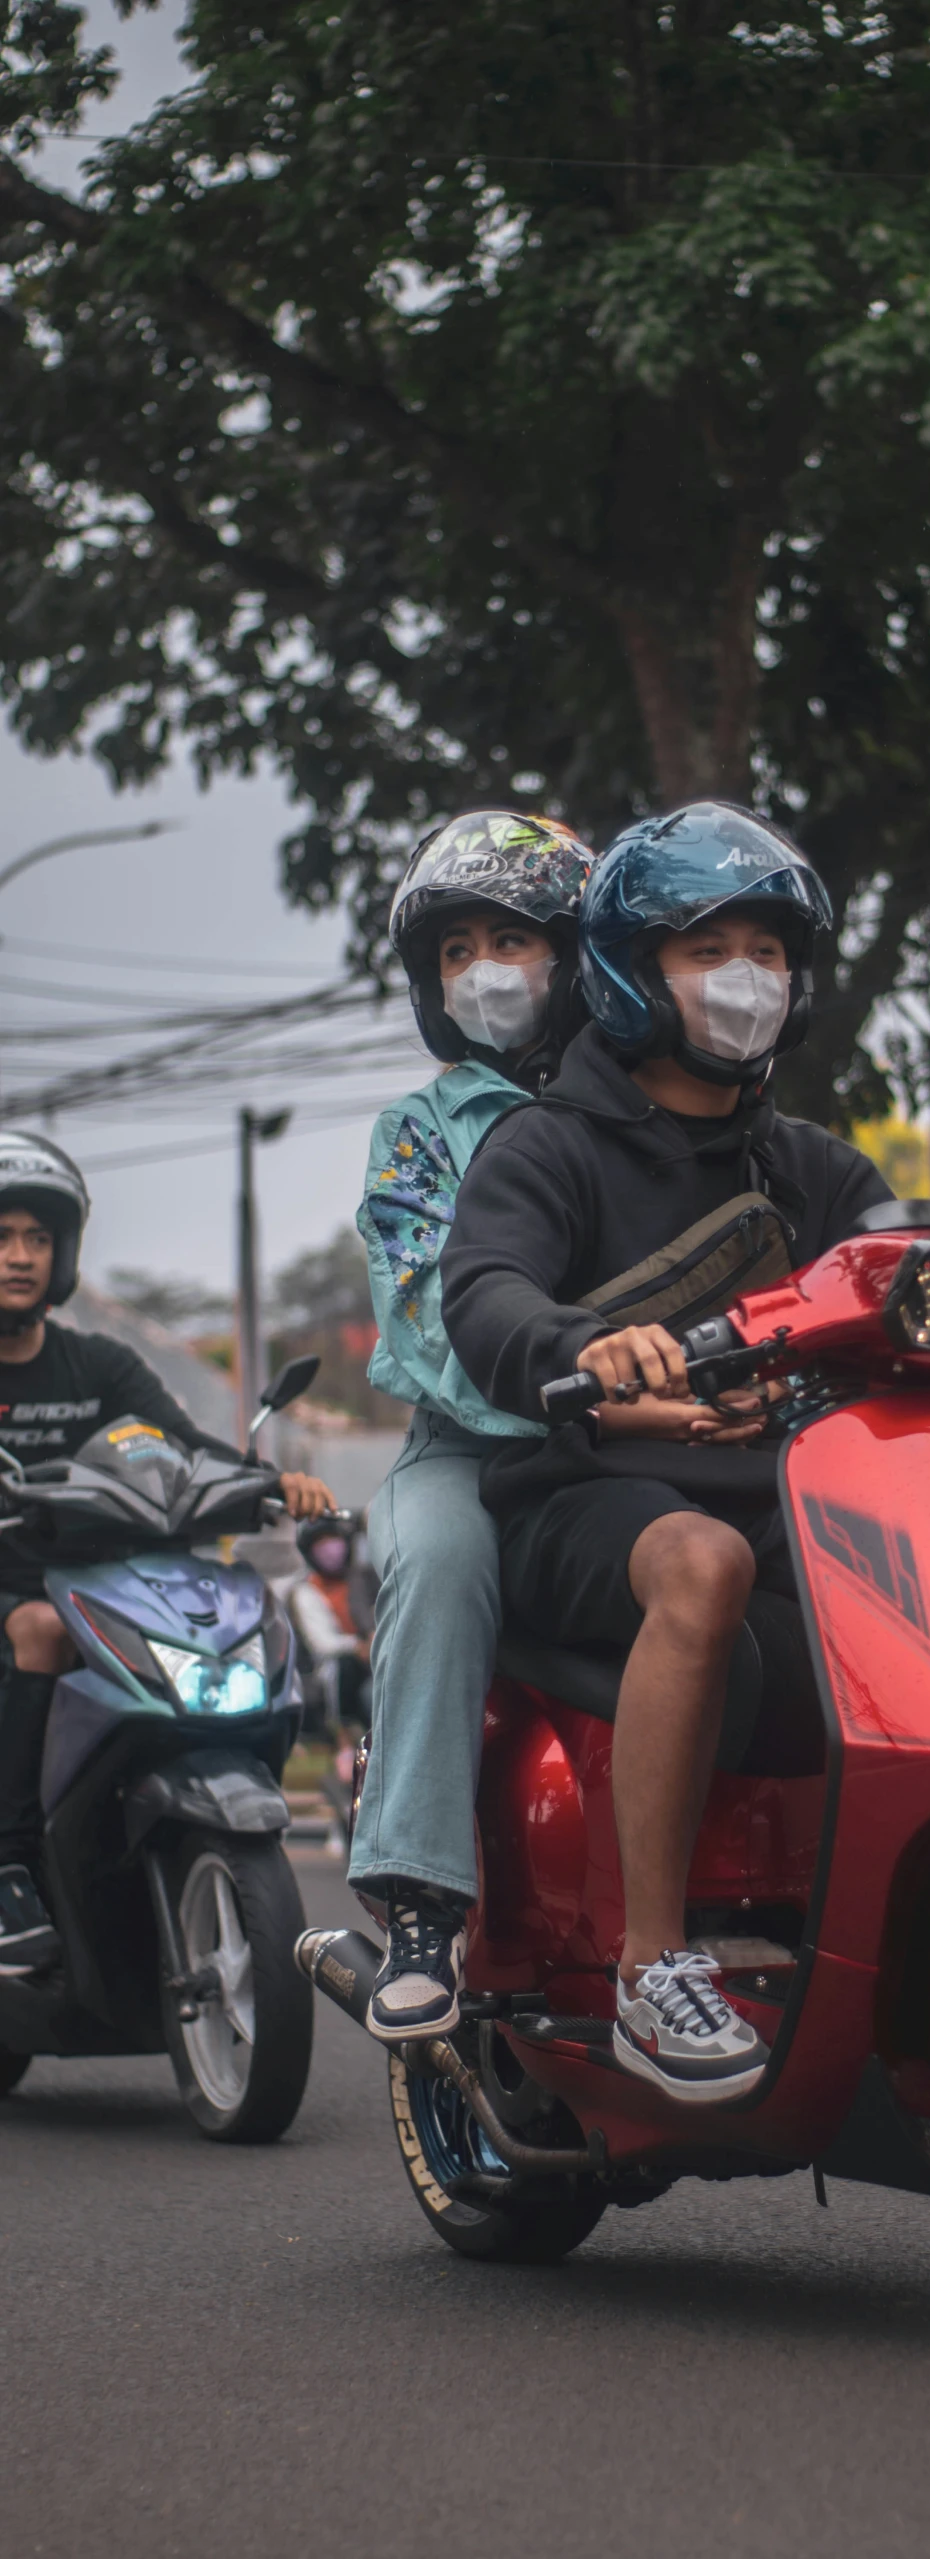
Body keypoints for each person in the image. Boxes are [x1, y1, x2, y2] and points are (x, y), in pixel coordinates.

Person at [439, 801, 930, 2104]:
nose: (746, 978)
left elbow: (919, 1276)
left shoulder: (807, 1164)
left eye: (767, 947)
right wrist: (575, 1342)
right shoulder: (544, 1145)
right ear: (628, 972)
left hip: (786, 1495)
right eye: (708, 947)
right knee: (701, 1565)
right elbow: (484, 1293)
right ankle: (655, 1963)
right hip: (584, 1494)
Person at [346, 809, 595, 2041]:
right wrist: (584, 1368)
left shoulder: (641, 1111)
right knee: (441, 1565)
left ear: (577, 956)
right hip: (467, 1451)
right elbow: (430, 1322)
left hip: (633, 1437)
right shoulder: (416, 1135)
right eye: (456, 951)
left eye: (512, 939)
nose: (484, 970)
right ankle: (419, 1905)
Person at [0, 1131, 334, 1974]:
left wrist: (271, 1479)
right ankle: (10, 1866)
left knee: (220, 1603)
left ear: (63, 1251)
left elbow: (181, 1447)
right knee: (41, 1626)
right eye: (2, 1236)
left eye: (38, 1238)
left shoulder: (99, 1363)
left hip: (103, 1589)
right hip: (20, 1596)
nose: (19, 1256)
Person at [287, 1514, 374, 1734]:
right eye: (321, 1542)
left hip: (373, 1661)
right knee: (343, 1666)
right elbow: (322, 1643)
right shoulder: (305, 1592)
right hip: (333, 1670)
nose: (330, 1548)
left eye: (334, 1539)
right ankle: (342, 1730)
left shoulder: (361, 1581)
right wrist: (358, 1647)